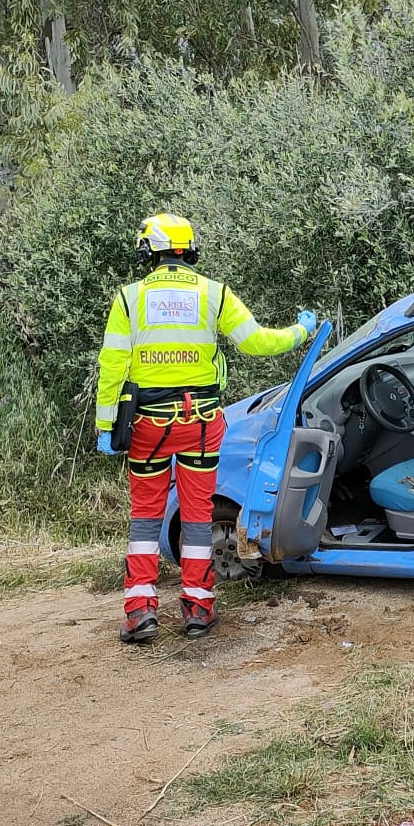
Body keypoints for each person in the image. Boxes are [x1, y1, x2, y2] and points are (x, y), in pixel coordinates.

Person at [96, 213, 315, 645]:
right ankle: (199, 607)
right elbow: (257, 342)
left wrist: (106, 426)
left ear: (149, 252)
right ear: (189, 250)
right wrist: (300, 331)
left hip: (148, 427)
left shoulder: (129, 299)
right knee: (197, 515)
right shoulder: (214, 294)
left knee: (146, 515)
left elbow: (112, 366)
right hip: (199, 423)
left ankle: (140, 611)